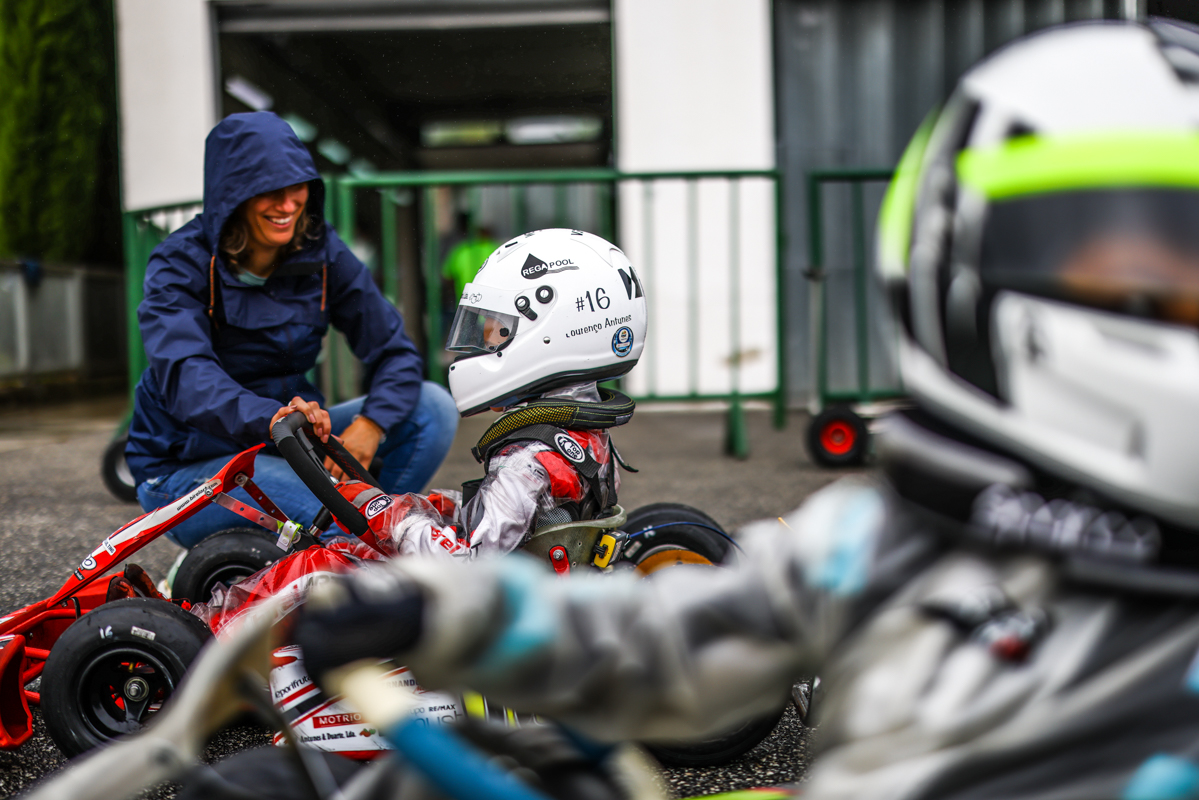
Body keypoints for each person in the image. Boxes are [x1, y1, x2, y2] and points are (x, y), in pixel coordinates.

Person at [292, 20, 1199, 800]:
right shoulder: (873, 540)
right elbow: (676, 635)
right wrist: (453, 621)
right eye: (1144, 273)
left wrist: (403, 544)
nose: (1165, 303)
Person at [125, 112, 458, 549]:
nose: (287, 205)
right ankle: (358, 542)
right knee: (342, 510)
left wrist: (371, 424)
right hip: (188, 465)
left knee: (431, 408)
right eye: (269, 191)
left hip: (285, 439)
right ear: (233, 194)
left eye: (297, 186)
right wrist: (273, 418)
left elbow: (395, 351)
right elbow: (188, 379)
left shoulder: (324, 254)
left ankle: (361, 538)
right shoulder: (179, 263)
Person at [266, 227, 647, 565]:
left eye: (498, 330)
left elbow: (466, 563)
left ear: (557, 332)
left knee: (315, 573)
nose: (482, 342)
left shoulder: (528, 463)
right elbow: (511, 517)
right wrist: (439, 507)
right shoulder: (585, 435)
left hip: (476, 610)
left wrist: (388, 513)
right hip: (526, 584)